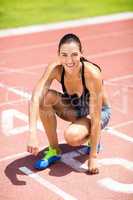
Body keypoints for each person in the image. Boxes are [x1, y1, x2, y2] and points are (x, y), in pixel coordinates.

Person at [27, 33, 111, 175]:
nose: (69, 60)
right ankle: (54, 150)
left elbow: (96, 119)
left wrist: (93, 156)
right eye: (64, 55)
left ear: (81, 54)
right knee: (44, 98)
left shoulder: (92, 74)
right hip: (75, 108)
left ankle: (93, 140)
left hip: (98, 112)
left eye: (74, 54)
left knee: (72, 136)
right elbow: (35, 97)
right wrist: (32, 134)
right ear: (58, 55)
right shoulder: (55, 69)